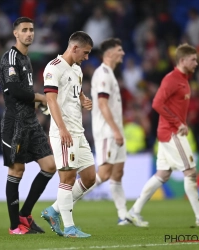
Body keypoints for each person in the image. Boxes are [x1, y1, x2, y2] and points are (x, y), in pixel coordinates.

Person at [126, 43, 199, 227]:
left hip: (168, 131)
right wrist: (178, 123)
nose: (196, 62)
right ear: (182, 60)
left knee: (162, 174)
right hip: (172, 132)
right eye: (193, 59)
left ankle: (133, 212)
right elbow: (157, 103)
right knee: (190, 172)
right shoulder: (172, 79)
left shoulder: (184, 80)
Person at [0, 17, 56, 235]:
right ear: (16, 33)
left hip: (31, 122)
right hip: (16, 123)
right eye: (24, 30)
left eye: (31, 30)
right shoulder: (10, 57)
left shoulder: (26, 59)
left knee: (50, 165)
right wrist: (42, 98)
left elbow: (27, 93)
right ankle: (15, 226)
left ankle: (25, 215)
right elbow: (14, 91)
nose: (29, 33)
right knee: (17, 169)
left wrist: (39, 104)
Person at [41, 31, 96, 238]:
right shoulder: (53, 68)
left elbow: (76, 90)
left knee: (90, 177)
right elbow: (51, 100)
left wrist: (83, 99)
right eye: (86, 52)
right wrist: (62, 128)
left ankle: (53, 210)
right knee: (68, 178)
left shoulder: (77, 70)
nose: (87, 57)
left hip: (78, 133)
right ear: (74, 48)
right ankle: (70, 228)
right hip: (63, 132)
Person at [90, 38, 128, 225]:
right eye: (120, 50)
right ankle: (62, 203)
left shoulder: (111, 74)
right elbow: (103, 104)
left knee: (117, 173)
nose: (123, 53)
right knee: (104, 174)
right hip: (107, 132)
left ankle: (123, 215)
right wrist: (115, 131)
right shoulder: (103, 74)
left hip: (115, 131)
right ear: (110, 53)